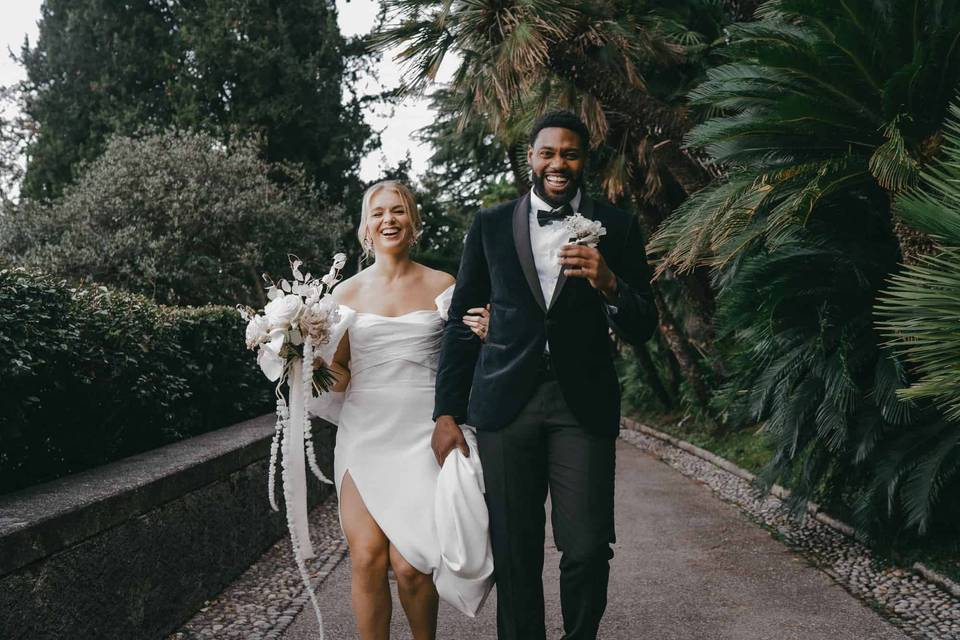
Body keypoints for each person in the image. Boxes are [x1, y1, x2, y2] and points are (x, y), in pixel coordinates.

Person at [431, 110, 659, 640]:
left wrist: (609, 285)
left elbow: (645, 323)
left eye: (570, 153)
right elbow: (463, 325)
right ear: (530, 159)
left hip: (582, 403)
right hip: (505, 404)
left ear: (584, 161)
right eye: (548, 153)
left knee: (585, 547)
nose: (559, 163)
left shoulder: (619, 227)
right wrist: (445, 412)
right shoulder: (490, 226)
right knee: (515, 551)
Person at [308, 180, 493, 640]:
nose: (388, 219)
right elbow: (342, 373)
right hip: (365, 432)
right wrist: (305, 363)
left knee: (410, 564)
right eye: (378, 213)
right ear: (365, 229)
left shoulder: (443, 285)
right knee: (367, 557)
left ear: (414, 222)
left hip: (423, 430)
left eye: (398, 211)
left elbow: (464, 361)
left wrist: (491, 334)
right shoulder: (341, 296)